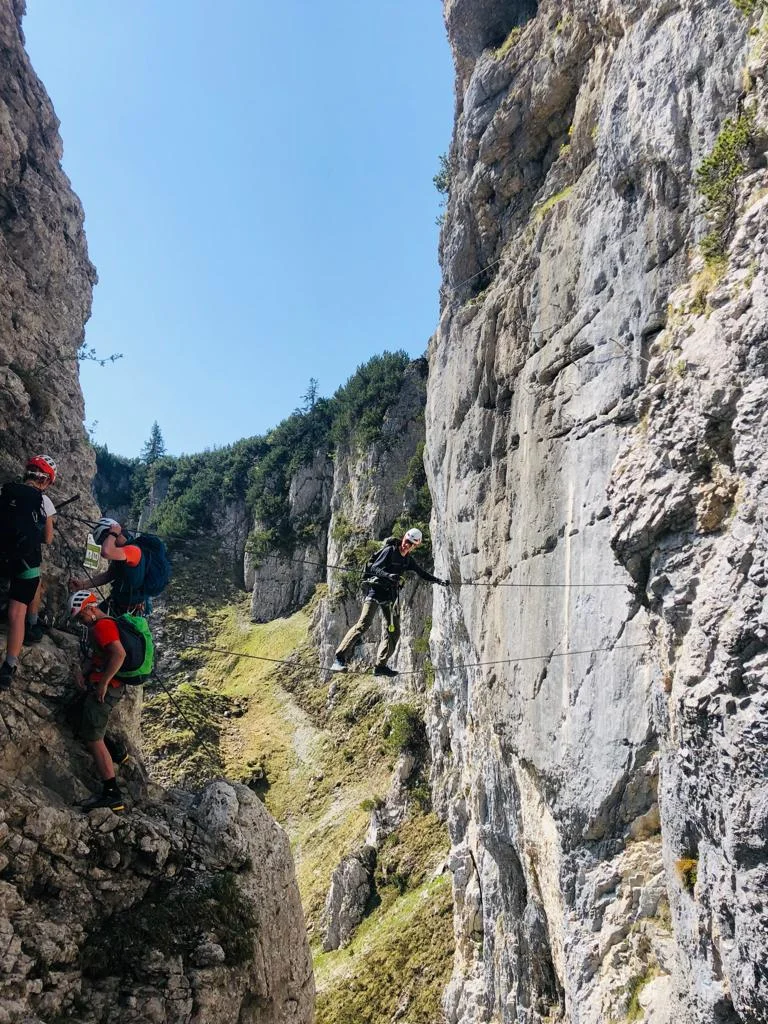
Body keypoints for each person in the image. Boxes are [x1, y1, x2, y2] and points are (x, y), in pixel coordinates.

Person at [68, 589, 153, 812]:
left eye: (81, 617)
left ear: (90, 608)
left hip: (108, 688)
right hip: (108, 685)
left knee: (93, 738)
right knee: (86, 719)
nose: (81, 622)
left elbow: (118, 654)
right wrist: (84, 672)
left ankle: (112, 793)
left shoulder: (102, 626)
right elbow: (100, 656)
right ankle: (117, 752)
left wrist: (104, 682)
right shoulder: (105, 623)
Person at [330, 527, 449, 677]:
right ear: (403, 538)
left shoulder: (407, 560)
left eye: (411, 544)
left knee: (394, 631)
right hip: (375, 592)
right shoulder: (390, 551)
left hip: (389, 597)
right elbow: (374, 567)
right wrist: (388, 575)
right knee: (363, 625)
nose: (406, 545)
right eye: (406, 541)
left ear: (415, 546)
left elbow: (422, 573)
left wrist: (439, 581)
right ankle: (339, 658)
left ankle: (380, 665)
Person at [0, 455, 58, 690]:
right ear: (47, 481)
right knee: (16, 614)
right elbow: (48, 538)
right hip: (26, 562)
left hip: (2, 557)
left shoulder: (5, 490)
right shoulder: (43, 500)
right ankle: (8, 666)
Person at [70, 517, 146, 615]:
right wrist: (83, 585)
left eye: (103, 541)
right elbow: (109, 575)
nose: (103, 544)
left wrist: (113, 533)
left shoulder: (133, 550)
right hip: (118, 602)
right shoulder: (120, 554)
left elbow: (106, 552)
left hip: (130, 609)